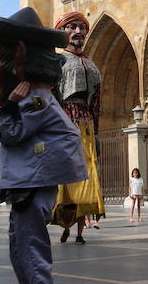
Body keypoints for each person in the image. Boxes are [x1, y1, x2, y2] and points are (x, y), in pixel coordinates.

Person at [0, 6, 87, 284]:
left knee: (30, 248)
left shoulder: (36, 99)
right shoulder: (36, 96)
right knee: (20, 245)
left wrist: (9, 106)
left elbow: (12, 134)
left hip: (33, 184)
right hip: (27, 182)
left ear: (20, 55)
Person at [52, 12, 105, 245]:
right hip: (66, 120)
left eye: (82, 28)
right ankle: (65, 224)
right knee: (67, 178)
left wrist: (96, 132)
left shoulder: (92, 64)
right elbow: (52, 95)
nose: (78, 32)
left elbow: (97, 102)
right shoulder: (57, 60)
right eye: (72, 27)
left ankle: (80, 231)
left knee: (86, 176)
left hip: (86, 123)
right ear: (62, 31)